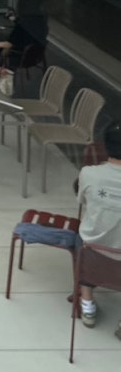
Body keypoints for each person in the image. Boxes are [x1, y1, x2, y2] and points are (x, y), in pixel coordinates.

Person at [76, 121, 121, 338]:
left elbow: (83, 201)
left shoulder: (89, 173)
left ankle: (87, 305)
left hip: (93, 253)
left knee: (82, 239)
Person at [0, 0, 48, 73]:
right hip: (35, 55)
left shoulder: (21, 27)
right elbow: (28, 30)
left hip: (19, 56)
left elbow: (9, 44)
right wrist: (16, 19)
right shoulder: (40, 20)